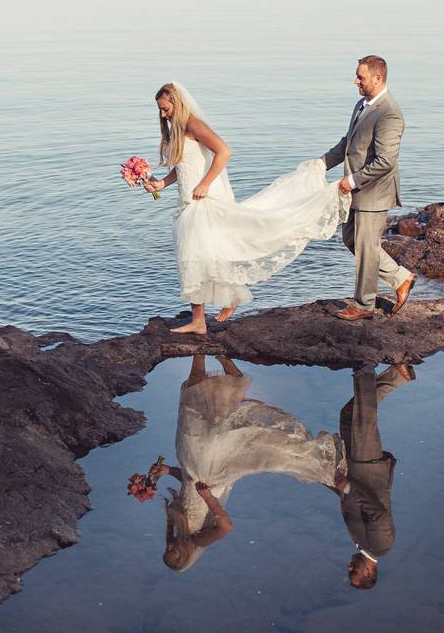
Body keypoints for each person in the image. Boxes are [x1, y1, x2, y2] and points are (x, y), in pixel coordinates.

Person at [143, 82, 350, 335]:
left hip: (202, 202)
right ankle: (210, 313)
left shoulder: (194, 124)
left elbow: (224, 151)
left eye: (166, 109)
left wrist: (205, 184)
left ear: (178, 103)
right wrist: (160, 183)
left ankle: (203, 318)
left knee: (195, 257)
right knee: (202, 257)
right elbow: (184, 166)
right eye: (161, 111)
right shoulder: (178, 130)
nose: (164, 115)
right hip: (187, 202)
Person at [148, 355, 347, 571]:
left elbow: (189, 487)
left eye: (167, 551)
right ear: (184, 557)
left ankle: (210, 357)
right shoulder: (197, 540)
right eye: (174, 556)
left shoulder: (180, 529)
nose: (170, 550)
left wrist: (168, 471)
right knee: (201, 413)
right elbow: (225, 526)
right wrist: (208, 498)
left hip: (193, 467)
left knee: (205, 415)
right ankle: (203, 350)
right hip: (209, 471)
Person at [320, 55, 417, 321]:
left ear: (377, 78)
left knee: (365, 247)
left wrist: (350, 181)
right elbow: (348, 143)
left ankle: (363, 305)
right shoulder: (361, 105)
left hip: (374, 192)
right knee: (352, 240)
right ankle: (401, 277)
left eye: (360, 77)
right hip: (357, 192)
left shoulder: (390, 114)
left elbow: (386, 161)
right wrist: (321, 164)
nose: (356, 81)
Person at [330, 364, 415, 588]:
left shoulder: (361, 543)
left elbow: (351, 503)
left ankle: (398, 376)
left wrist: (331, 483)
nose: (349, 568)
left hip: (355, 466)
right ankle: (364, 366)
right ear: (368, 572)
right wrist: (348, 487)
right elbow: (378, 514)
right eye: (353, 573)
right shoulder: (381, 546)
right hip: (367, 467)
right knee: (363, 418)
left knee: (349, 416)